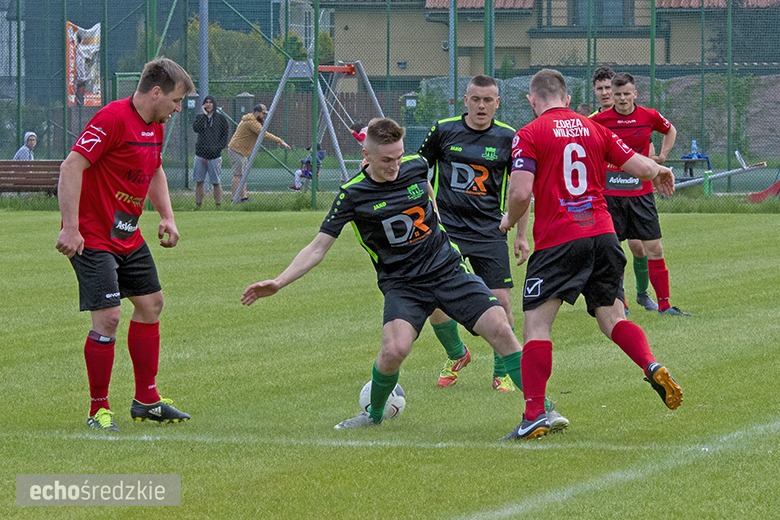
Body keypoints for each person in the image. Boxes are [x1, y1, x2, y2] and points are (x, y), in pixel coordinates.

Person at [242, 118, 567, 435]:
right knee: (394, 350)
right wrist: (279, 282)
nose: (395, 166)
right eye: (386, 160)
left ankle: (541, 411)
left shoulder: (414, 166)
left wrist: (438, 223)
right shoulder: (352, 195)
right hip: (403, 285)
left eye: (398, 157)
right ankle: (374, 415)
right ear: (366, 155)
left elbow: (426, 189)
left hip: (447, 270)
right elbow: (318, 248)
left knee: (501, 328)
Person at [498, 69, 682, 439]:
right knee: (612, 319)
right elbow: (641, 166)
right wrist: (660, 169)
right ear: (567, 99)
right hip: (602, 234)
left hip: (559, 239)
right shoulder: (594, 127)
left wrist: (507, 221)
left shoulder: (529, 134)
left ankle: (534, 412)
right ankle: (650, 364)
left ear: (533, 101)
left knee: (536, 326)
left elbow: (520, 194)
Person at [55, 57, 196, 432]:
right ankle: (98, 409)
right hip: (93, 235)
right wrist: (71, 228)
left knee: (151, 305)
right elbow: (71, 167)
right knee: (109, 316)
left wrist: (167, 215)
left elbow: (155, 169)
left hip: (126, 234)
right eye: (176, 101)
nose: (178, 109)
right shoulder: (112, 119)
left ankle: (147, 400)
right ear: (155, 93)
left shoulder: (155, 126)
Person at [417, 75, 538, 396]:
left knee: (500, 303)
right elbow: (416, 171)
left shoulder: (510, 137)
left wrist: (521, 236)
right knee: (435, 301)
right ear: (465, 100)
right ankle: (456, 354)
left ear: (498, 103)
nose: (481, 106)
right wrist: (431, 214)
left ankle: (502, 374)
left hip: (490, 231)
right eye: (476, 99)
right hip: (447, 231)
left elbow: (521, 191)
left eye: (488, 100)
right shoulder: (443, 130)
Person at [592, 73, 690, 316]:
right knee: (614, 251)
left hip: (641, 194)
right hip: (610, 195)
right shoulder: (600, 121)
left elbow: (670, 130)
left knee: (654, 248)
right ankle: (620, 304)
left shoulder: (649, 116)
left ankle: (665, 305)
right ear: (611, 97)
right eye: (617, 94)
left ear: (635, 94)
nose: (622, 98)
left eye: (627, 94)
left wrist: (662, 157)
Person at [590, 67, 658, 313]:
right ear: (595, 92)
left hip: (634, 189)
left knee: (639, 246)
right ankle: (619, 300)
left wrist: (651, 166)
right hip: (606, 192)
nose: (606, 93)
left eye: (609, 88)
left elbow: (646, 146)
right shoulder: (594, 122)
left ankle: (642, 293)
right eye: (601, 89)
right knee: (611, 248)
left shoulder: (631, 115)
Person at [227, 103, 291, 202]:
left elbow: (263, 127)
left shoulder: (254, 121)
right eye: (263, 114)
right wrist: (280, 140)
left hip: (242, 151)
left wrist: (264, 120)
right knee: (238, 175)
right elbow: (263, 134)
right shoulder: (251, 122)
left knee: (243, 175)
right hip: (236, 149)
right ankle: (234, 199)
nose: (264, 116)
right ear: (257, 113)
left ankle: (243, 198)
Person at [192, 95, 229, 209]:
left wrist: (219, 147)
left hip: (214, 156)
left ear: (214, 104)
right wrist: (204, 115)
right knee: (199, 181)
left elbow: (225, 134)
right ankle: (198, 206)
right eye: (206, 102)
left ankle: (218, 206)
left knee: (216, 182)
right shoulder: (200, 118)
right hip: (201, 155)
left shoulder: (220, 119)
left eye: (210, 102)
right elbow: (196, 128)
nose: (208, 104)